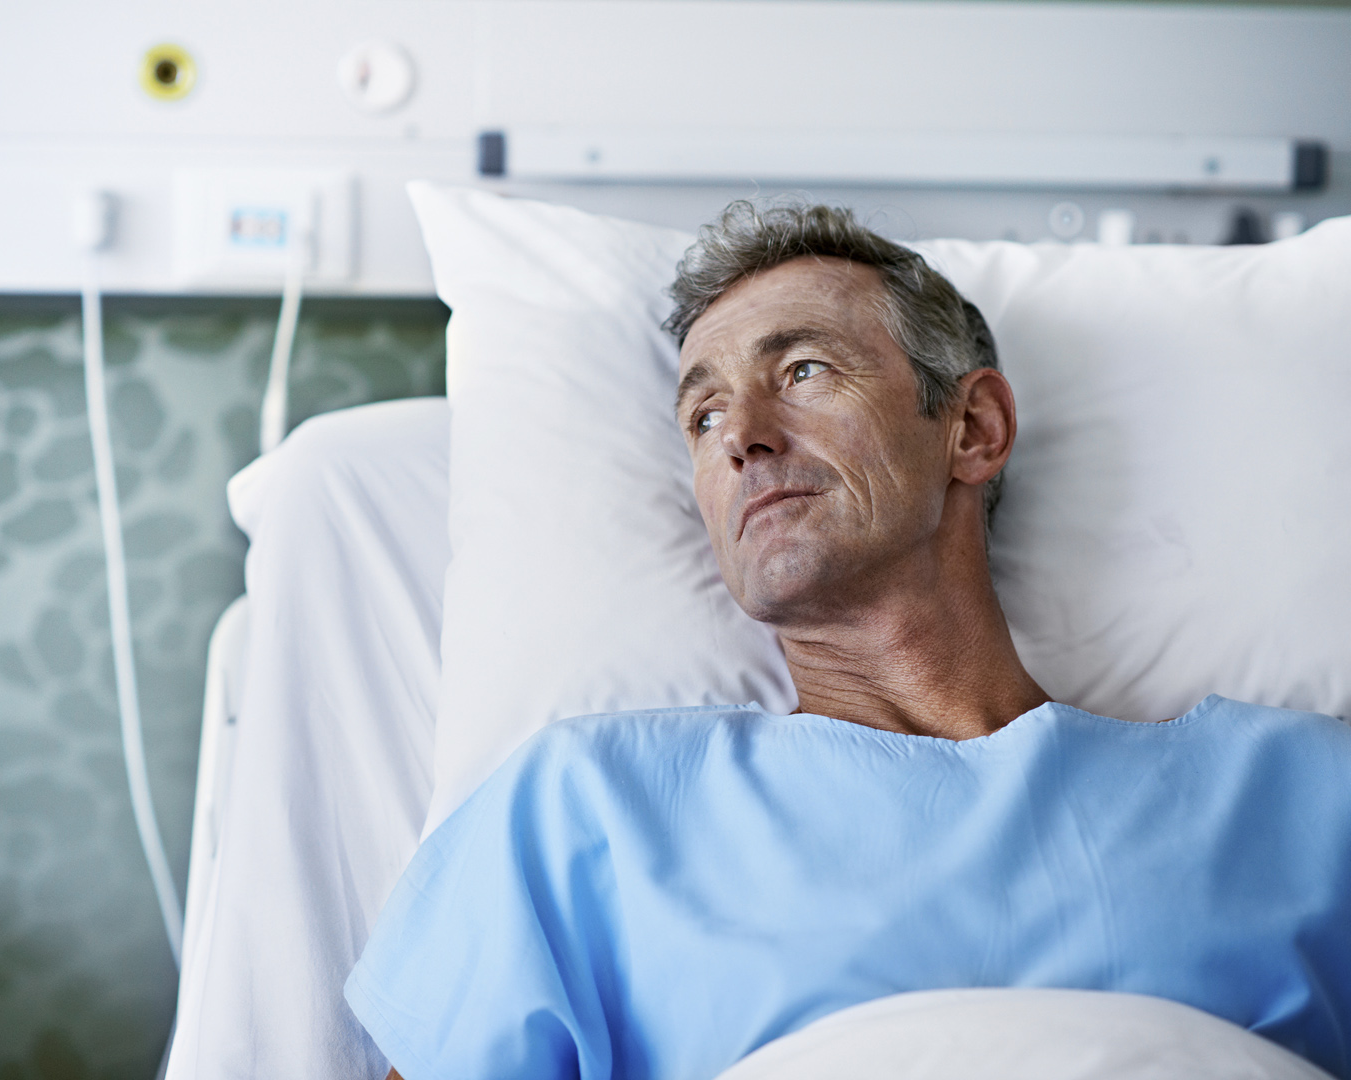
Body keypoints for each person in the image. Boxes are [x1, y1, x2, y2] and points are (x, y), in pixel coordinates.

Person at [346, 203, 1351, 1080]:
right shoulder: (583, 815)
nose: (741, 434)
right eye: (701, 414)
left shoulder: (1302, 798)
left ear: (973, 431)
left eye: (804, 368)